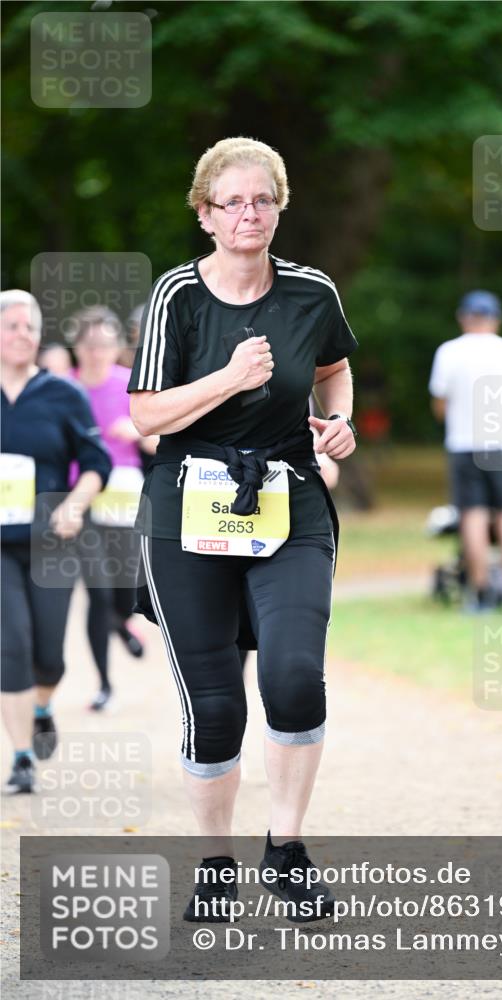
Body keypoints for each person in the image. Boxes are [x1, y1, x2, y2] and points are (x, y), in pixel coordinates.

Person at [127, 137, 357, 919]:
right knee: (216, 704)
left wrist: (336, 422)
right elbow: (145, 414)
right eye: (232, 202)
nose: (249, 214)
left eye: (263, 200)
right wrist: (228, 376)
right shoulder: (176, 297)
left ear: (279, 207)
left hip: (288, 499)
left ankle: (286, 853)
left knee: (293, 677)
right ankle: (215, 864)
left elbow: (330, 368)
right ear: (205, 214)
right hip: (186, 507)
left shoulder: (310, 293)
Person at [1, 290, 111, 793]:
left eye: (30, 326)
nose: (23, 334)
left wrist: (75, 503)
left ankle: (43, 705)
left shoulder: (63, 394)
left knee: (50, 655)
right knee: (12, 644)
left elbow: (96, 462)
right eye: (12, 325)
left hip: (52, 540)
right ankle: (22, 756)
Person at [68, 306, 158, 710]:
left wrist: (137, 433)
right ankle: (104, 684)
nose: (97, 352)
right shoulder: (63, 389)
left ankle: (124, 624)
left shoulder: (130, 386)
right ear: (78, 346)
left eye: (105, 344)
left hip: (124, 494)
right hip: (80, 498)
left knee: (124, 592)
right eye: (90, 344)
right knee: (98, 592)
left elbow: (161, 442)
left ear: (116, 347)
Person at [429, 290, 502, 612]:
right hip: (501, 444)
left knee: (473, 517)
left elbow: (440, 405)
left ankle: (482, 593)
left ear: (464, 317)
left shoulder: (448, 351)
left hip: (464, 444)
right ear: (496, 319)